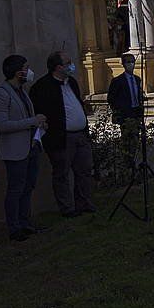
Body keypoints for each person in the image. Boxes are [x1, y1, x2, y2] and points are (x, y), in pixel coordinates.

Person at [30, 51, 94, 216]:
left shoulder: (71, 82)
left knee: (84, 170)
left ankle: (84, 203)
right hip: (61, 138)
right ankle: (67, 208)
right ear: (58, 67)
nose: (71, 65)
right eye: (68, 63)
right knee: (62, 173)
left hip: (80, 135)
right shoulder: (43, 86)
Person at [0, 54, 46, 241]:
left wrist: (38, 126)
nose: (29, 71)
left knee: (28, 186)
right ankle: (14, 228)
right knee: (15, 189)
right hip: (15, 151)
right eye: (26, 67)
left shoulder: (22, 91)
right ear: (17, 71)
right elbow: (2, 125)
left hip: (31, 147)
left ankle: (25, 222)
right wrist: (32, 121)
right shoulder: (1, 94)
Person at [106, 52, 144, 162]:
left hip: (136, 112)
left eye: (132, 62)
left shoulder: (137, 79)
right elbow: (111, 98)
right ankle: (127, 161)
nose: (131, 64)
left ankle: (132, 159)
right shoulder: (118, 81)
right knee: (127, 139)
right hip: (125, 114)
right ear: (123, 64)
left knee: (135, 139)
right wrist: (119, 110)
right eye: (128, 62)